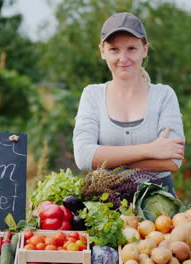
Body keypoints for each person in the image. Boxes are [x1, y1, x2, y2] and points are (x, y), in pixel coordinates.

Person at [72, 12, 185, 197]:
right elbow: (83, 157)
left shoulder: (164, 95)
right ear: (102, 52)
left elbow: (172, 160)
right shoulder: (92, 95)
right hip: (107, 204)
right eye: (114, 49)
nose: (123, 58)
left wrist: (105, 159)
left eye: (131, 48)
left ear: (145, 50)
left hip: (159, 204)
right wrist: (150, 150)